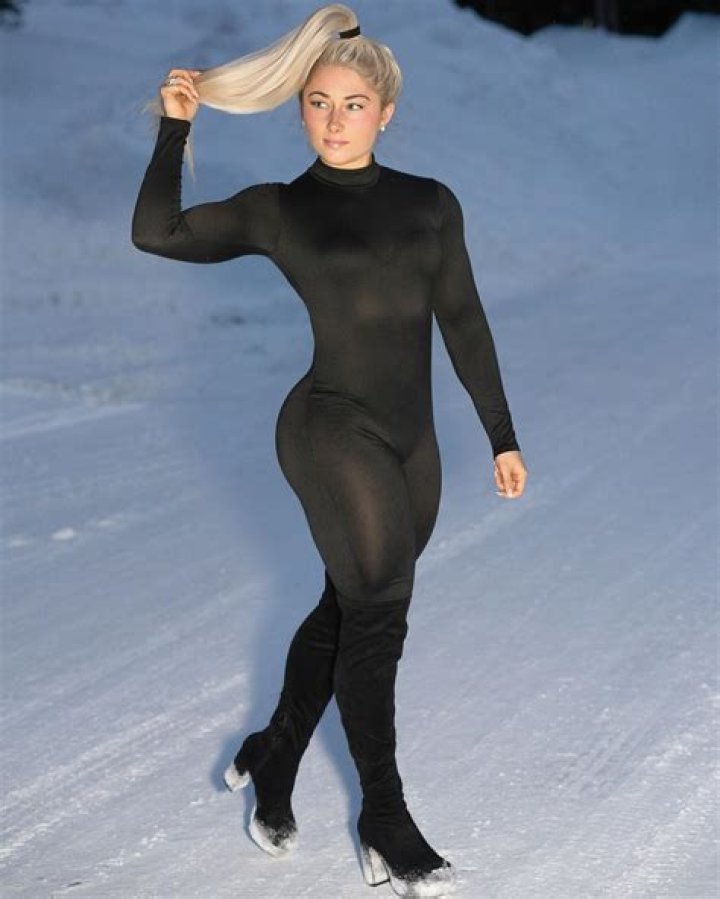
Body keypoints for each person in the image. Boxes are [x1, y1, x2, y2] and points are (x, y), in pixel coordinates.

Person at [131, 4, 528, 896]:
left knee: (352, 605)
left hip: (411, 441)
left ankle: (274, 753)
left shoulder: (431, 204)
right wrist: (175, 129)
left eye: (352, 105)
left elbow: (464, 320)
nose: (334, 120)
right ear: (299, 110)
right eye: (317, 103)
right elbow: (156, 232)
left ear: (386, 113)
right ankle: (385, 816)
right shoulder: (281, 210)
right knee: (380, 616)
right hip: (327, 427)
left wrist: (500, 434)